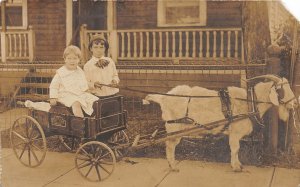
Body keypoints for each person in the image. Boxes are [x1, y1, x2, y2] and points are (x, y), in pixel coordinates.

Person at [49, 45, 99, 117]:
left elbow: (83, 82)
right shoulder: (61, 73)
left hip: (79, 94)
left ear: (79, 59)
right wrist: (53, 97)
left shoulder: (79, 71)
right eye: (69, 58)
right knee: (76, 104)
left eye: (75, 58)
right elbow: (54, 86)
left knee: (94, 100)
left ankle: (93, 119)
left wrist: (87, 90)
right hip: (65, 95)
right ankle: (80, 122)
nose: (72, 61)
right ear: (65, 59)